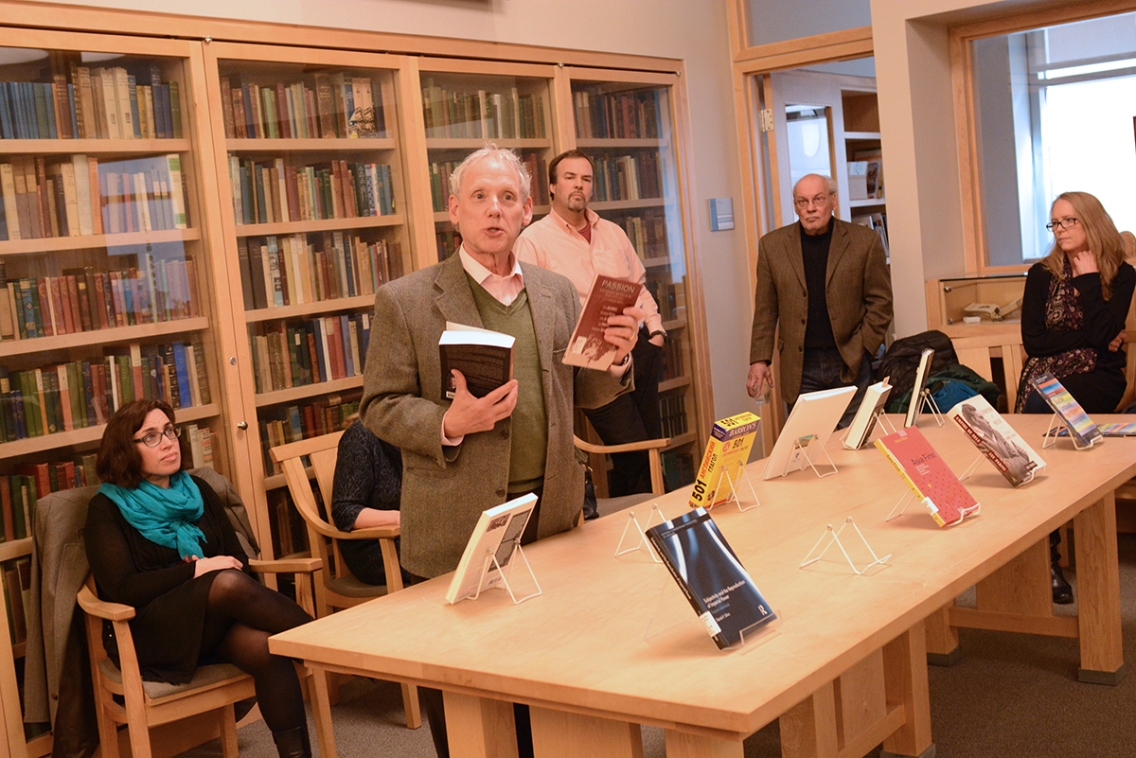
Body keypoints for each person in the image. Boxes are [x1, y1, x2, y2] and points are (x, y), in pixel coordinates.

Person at [359, 144, 642, 758]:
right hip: (457, 522)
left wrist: (616, 356)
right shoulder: (406, 300)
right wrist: (448, 422)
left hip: (553, 514)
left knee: (558, 685)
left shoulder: (557, 291)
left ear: (526, 210)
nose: (494, 210)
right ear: (454, 211)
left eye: (508, 198)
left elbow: (582, 389)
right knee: (468, 705)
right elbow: (379, 406)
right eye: (480, 198)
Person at [84, 400, 315, 758]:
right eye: (151, 437)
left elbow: (238, 561)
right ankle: (324, 643)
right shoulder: (107, 508)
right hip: (146, 631)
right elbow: (123, 589)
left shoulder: (198, 490)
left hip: (209, 622)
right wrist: (195, 571)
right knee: (225, 582)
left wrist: (205, 574)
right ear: (125, 449)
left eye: (169, 431)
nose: (168, 442)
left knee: (266, 648)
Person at [515, 149, 666, 497]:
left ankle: (642, 516)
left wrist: (656, 331)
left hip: (637, 347)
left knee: (652, 443)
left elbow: (638, 285)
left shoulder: (612, 232)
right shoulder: (533, 242)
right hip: (589, 360)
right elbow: (534, 308)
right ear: (552, 186)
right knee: (634, 449)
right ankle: (656, 517)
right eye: (570, 178)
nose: (578, 185)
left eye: (585, 178)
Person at [1015, 191, 1135, 604]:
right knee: (1039, 419)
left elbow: (1105, 340)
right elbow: (1035, 343)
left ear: (1091, 221)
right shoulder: (1040, 275)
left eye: (1070, 221)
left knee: (1042, 421)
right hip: (1046, 375)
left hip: (1101, 377)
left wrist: (1086, 283)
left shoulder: (1120, 274)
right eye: (1056, 223)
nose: (1061, 230)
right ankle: (1047, 556)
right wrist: (1097, 337)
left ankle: (1070, 548)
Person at [746, 173, 893, 428]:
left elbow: (881, 303)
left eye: (818, 199)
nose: (811, 208)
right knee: (808, 448)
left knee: (854, 444)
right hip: (800, 368)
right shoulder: (773, 247)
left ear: (833, 201)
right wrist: (759, 360)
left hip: (850, 361)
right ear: (795, 206)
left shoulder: (863, 242)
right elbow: (765, 311)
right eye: (802, 202)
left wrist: (862, 347)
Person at [330, 417, 402, 586]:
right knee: (445, 561)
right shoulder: (360, 435)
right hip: (375, 545)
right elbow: (344, 511)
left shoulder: (424, 431)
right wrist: (400, 519)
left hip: (414, 537)